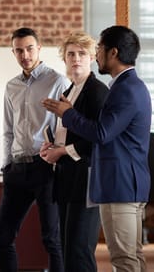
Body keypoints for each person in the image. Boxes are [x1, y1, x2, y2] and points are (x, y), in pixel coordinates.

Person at [42, 25, 151, 272]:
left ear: (112, 53)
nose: (96, 55)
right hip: (119, 183)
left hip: (120, 185)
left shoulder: (125, 89)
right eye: (71, 53)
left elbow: (101, 133)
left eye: (97, 49)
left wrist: (67, 113)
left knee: (123, 260)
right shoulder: (124, 86)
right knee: (130, 257)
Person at [0, 27, 70, 272]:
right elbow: (8, 128)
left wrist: (57, 157)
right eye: (18, 50)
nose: (24, 54)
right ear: (13, 52)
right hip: (16, 169)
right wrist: (6, 164)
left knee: (52, 239)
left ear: (39, 48)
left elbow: (67, 125)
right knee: (2, 237)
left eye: (29, 48)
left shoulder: (58, 80)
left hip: (45, 167)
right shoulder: (11, 86)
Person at [39, 32, 109, 272]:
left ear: (91, 57)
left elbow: (99, 138)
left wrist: (62, 152)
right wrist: (51, 148)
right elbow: (68, 133)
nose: (76, 58)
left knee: (80, 251)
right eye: (71, 54)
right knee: (68, 250)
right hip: (67, 178)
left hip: (87, 178)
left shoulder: (97, 91)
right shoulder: (69, 92)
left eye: (82, 54)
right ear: (64, 59)